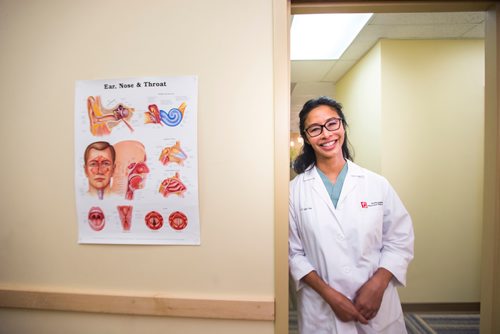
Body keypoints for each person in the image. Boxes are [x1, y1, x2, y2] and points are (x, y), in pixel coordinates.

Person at [289, 96, 414, 334]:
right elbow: (293, 254)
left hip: (377, 306)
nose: (326, 134)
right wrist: (331, 296)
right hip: (322, 308)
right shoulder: (294, 192)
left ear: (342, 126)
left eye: (332, 124)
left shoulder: (377, 184)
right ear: (306, 137)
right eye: (315, 129)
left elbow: (399, 239)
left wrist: (378, 285)